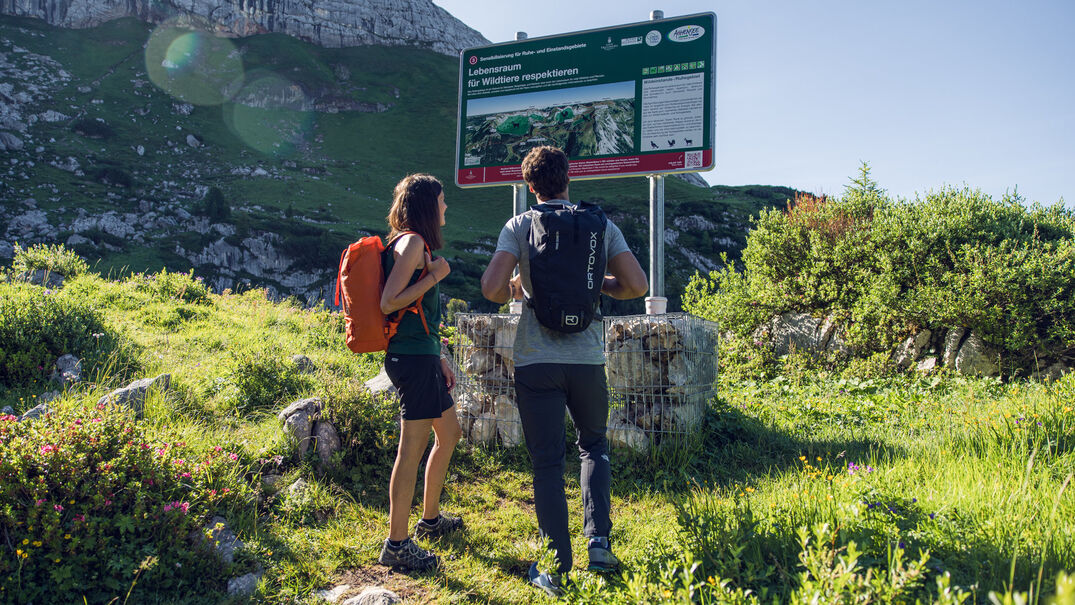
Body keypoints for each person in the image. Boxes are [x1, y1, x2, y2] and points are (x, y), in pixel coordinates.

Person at [480, 146, 649, 595]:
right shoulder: (600, 225)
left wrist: (521, 286)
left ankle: (556, 565)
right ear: (568, 179)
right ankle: (599, 543)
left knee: (547, 463)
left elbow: (492, 288)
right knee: (594, 446)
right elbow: (637, 285)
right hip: (588, 360)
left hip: (536, 361)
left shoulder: (519, 225)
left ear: (530, 186)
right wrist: (594, 286)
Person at [377, 174, 464, 572]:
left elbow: (421, 315)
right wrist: (434, 276)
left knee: (449, 433)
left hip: (422, 356)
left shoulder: (413, 243)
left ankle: (430, 521)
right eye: (442, 201)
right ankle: (397, 544)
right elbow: (388, 302)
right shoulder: (412, 242)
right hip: (411, 361)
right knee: (410, 449)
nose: (446, 208)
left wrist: (439, 355)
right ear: (429, 206)